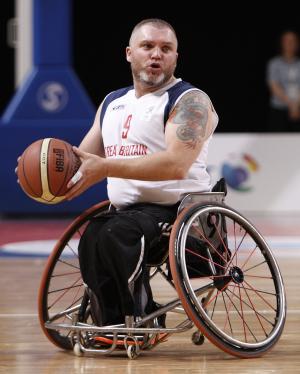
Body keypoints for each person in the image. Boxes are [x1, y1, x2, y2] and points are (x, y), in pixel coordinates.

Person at [65, 18, 219, 327]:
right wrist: (47, 177)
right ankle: (111, 324)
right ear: (129, 53)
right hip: (126, 213)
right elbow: (82, 160)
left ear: (176, 57)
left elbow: (176, 165)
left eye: (166, 48)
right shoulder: (112, 102)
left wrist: (106, 166)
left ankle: (139, 315)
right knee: (93, 235)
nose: (156, 54)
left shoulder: (190, 101)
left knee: (113, 234)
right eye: (147, 46)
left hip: (178, 212)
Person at [266, 30, 300, 131]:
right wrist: (291, 104)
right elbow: (274, 86)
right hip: (279, 109)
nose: (289, 43)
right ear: (282, 43)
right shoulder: (274, 64)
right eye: (287, 40)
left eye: (292, 41)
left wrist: (296, 105)